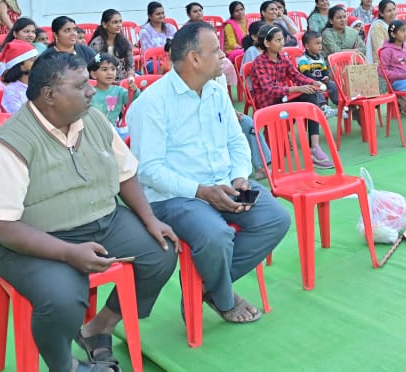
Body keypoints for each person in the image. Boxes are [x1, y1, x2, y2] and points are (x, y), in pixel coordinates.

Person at [0, 51, 179, 372]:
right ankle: (65, 365)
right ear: (49, 95)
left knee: (160, 252)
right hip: (32, 242)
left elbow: (125, 173)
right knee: (63, 296)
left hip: (105, 221)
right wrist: (68, 253)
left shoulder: (92, 119)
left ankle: (99, 327)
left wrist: (149, 219)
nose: (91, 90)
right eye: (81, 85)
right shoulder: (8, 145)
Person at [129, 23, 291, 325]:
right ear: (194, 58)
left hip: (224, 184)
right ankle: (225, 298)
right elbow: (150, 170)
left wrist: (239, 177)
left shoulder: (216, 92)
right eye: (216, 51)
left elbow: (236, 142)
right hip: (176, 197)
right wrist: (201, 191)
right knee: (216, 234)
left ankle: (206, 287)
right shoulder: (151, 103)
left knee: (275, 219)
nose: (224, 55)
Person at [248, 24, 334, 168]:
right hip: (269, 104)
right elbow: (269, 90)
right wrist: (297, 89)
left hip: (283, 99)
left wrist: (313, 82)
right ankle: (308, 147)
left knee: (311, 95)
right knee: (304, 94)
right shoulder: (259, 63)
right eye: (278, 40)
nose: (282, 43)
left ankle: (314, 147)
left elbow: (296, 75)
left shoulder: (282, 58)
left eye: (282, 39)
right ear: (267, 43)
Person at [88, 53, 139, 135]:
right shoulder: (88, 93)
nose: (110, 73)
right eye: (105, 69)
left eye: (113, 69)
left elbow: (133, 100)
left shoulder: (119, 91)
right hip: (94, 132)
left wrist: (134, 90)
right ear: (94, 74)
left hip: (114, 131)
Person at [295, 31, 338, 117]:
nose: (320, 46)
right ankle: (323, 107)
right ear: (307, 46)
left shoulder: (320, 58)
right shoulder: (304, 59)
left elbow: (324, 70)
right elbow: (305, 74)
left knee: (332, 85)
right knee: (316, 89)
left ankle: (339, 103)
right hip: (309, 82)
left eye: (320, 43)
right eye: (317, 43)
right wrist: (315, 82)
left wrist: (326, 76)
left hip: (321, 81)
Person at [88, 10, 136, 82]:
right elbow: (94, 66)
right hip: (103, 81)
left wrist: (130, 76)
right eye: (115, 22)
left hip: (123, 80)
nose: (119, 25)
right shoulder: (96, 44)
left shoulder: (125, 42)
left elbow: (130, 64)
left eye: (120, 22)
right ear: (104, 24)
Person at [0, 40, 39, 115]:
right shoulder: (12, 92)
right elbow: (20, 117)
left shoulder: (39, 83)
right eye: (33, 60)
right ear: (20, 66)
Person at [366, 0, 397, 65]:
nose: (393, 13)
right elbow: (381, 50)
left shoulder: (395, 24)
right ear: (381, 13)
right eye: (389, 11)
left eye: (394, 9)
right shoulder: (377, 27)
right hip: (382, 64)